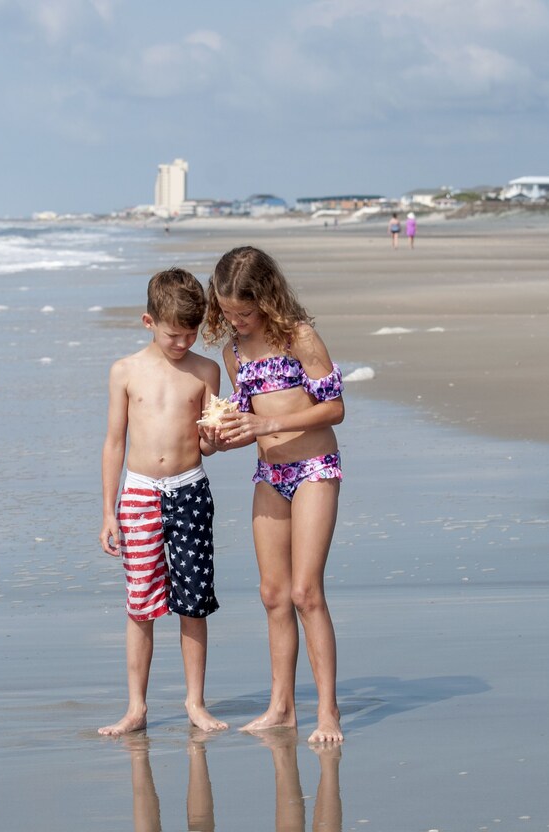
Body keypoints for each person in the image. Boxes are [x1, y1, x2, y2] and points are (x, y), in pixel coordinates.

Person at [200, 246, 345, 744]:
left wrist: (272, 421)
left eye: (243, 311)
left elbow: (335, 409)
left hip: (314, 469)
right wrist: (218, 439)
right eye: (226, 312)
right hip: (270, 474)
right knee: (272, 595)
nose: (235, 321)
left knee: (306, 592)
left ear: (265, 298)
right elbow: (245, 423)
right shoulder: (233, 353)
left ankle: (327, 711)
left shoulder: (298, 337)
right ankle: (282, 705)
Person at [99, 267, 229, 737]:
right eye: (174, 333)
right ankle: (136, 707)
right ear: (148, 321)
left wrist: (215, 436)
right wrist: (107, 512)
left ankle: (195, 701)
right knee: (141, 604)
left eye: (191, 333)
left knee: (193, 601)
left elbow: (210, 443)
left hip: (190, 487)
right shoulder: (125, 371)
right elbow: (114, 442)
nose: (183, 342)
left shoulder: (206, 371)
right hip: (137, 493)